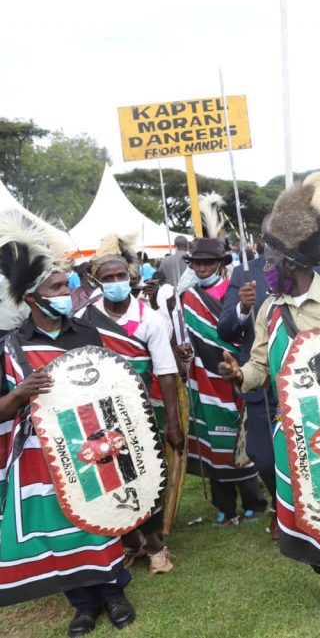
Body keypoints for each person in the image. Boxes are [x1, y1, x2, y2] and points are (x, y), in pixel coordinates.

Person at [218, 171, 320, 634]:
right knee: (296, 504)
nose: (264, 266)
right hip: (285, 428)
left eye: (270, 257)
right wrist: (238, 374)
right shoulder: (269, 309)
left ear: (292, 260)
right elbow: (258, 370)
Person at [0, 211, 137, 635]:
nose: (68, 291)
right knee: (59, 527)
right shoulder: (11, 347)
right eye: (58, 287)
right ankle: (82, 604)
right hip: (42, 459)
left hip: (94, 447)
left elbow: (112, 390)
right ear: (31, 297)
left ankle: (114, 594)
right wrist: (21, 394)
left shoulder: (87, 333)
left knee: (99, 519)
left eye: (67, 284)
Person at [75, 233, 183, 574]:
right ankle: (129, 540)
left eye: (120, 277)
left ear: (131, 277)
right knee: (109, 476)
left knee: (143, 476)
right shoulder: (84, 317)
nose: (116, 283)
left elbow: (165, 372)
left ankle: (156, 547)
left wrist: (173, 422)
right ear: (95, 281)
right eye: (107, 279)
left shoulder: (148, 318)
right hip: (96, 413)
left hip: (140, 410)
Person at [180, 237, 266, 526]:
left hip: (236, 373)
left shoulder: (236, 291)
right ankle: (224, 505)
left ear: (220, 264)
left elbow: (242, 330)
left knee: (241, 436)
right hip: (203, 379)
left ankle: (254, 500)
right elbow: (183, 334)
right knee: (211, 439)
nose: (202, 268)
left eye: (208, 263)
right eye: (197, 263)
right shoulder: (187, 297)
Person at [217, 215, 280, 538]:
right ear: (262, 237)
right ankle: (282, 509)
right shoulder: (244, 273)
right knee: (263, 457)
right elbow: (226, 329)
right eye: (272, 234)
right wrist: (242, 309)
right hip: (259, 381)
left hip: (303, 380)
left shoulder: (312, 269)